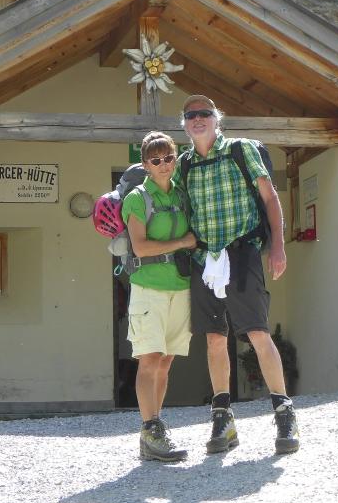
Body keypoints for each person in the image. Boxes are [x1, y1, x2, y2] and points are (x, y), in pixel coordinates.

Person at [172, 95, 300, 455]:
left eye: (204, 114)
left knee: (258, 332)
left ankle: (284, 412)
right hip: (204, 260)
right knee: (214, 338)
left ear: (217, 119)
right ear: (184, 124)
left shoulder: (241, 151)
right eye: (190, 115)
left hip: (242, 253)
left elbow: (271, 197)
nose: (197, 119)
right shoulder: (184, 165)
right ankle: (223, 418)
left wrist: (278, 245)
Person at [122, 131, 199, 462]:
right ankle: (151, 428)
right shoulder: (137, 199)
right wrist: (182, 243)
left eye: (168, 157)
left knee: (166, 361)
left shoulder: (182, 195)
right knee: (150, 358)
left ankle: (153, 434)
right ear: (145, 164)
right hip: (149, 287)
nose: (164, 164)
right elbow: (140, 246)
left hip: (180, 287)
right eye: (156, 160)